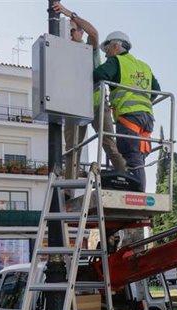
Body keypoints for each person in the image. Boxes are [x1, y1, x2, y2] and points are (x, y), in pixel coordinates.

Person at [53, 2, 127, 179]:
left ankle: (126, 177)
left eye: (74, 30)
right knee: (72, 149)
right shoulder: (65, 53)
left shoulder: (89, 49)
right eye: (70, 31)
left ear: (81, 32)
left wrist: (69, 13)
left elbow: (94, 33)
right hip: (74, 106)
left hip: (97, 104)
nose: (71, 33)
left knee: (109, 143)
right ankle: (69, 189)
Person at [93, 30, 161, 191]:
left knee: (131, 157)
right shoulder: (143, 66)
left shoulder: (116, 61)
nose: (107, 54)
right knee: (138, 158)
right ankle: (136, 192)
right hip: (147, 119)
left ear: (116, 46)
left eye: (108, 48)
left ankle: (137, 195)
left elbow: (98, 74)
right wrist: (143, 102)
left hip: (128, 117)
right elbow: (157, 90)